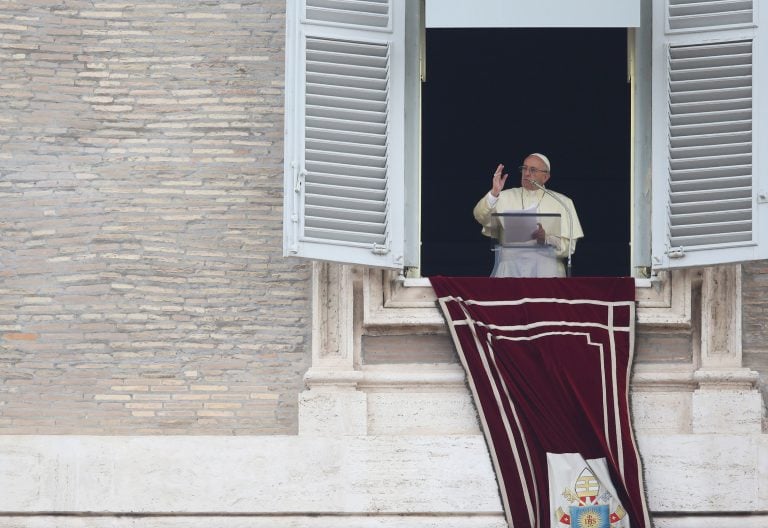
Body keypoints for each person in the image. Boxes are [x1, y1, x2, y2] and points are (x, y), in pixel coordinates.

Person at [473, 153, 583, 277]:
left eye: (533, 170)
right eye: (524, 168)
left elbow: (569, 248)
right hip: (510, 271)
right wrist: (494, 193)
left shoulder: (562, 202)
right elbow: (480, 216)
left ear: (545, 177)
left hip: (547, 273)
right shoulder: (503, 196)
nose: (526, 173)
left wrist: (545, 239)